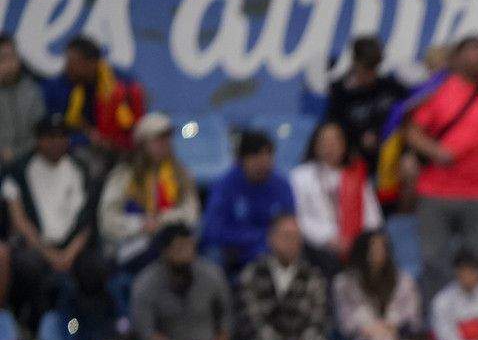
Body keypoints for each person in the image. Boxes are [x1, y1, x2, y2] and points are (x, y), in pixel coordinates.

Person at [406, 35, 478, 295]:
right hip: (437, 191)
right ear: (457, 57)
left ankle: (472, 327)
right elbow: (413, 133)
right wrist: (435, 151)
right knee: (434, 262)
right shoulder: (439, 91)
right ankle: (435, 327)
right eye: (475, 50)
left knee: (475, 262)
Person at [3, 114, 99, 329]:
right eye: (51, 136)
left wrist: (68, 254)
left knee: (95, 269)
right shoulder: (18, 170)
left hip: (72, 248)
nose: (57, 142)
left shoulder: (80, 169)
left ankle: (87, 334)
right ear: (38, 139)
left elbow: (87, 219)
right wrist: (50, 255)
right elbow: (19, 219)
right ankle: (31, 329)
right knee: (29, 267)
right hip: (36, 247)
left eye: (62, 136)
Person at [236, 214, 338, 340]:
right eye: (286, 236)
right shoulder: (252, 273)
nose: (292, 242)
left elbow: (319, 320)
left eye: (296, 237)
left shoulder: (313, 276)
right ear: (271, 238)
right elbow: (253, 322)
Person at [128, 224, 232, 340]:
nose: (186, 253)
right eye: (179, 248)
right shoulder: (146, 283)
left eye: (190, 246)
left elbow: (226, 318)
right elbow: (145, 331)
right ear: (165, 251)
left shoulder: (212, 275)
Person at [97, 111, 200, 274]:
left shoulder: (180, 174)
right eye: (158, 139)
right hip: (134, 244)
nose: (165, 143)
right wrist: (140, 224)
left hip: (173, 243)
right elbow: (107, 221)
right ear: (143, 143)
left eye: (167, 138)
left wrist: (163, 220)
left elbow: (192, 213)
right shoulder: (124, 175)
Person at [200, 130, 293, 276]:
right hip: (232, 249)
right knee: (213, 255)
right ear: (242, 159)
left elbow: (289, 225)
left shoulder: (281, 185)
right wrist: (253, 238)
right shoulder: (225, 185)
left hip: (267, 248)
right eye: (257, 156)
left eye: (268, 156)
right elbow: (212, 230)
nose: (264, 162)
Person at [332, 228, 420, 340]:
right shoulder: (343, 283)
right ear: (363, 250)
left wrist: (392, 326)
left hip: (396, 339)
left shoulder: (404, 281)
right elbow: (345, 324)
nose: (378, 252)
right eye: (374, 247)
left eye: (382, 247)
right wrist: (371, 330)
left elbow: (413, 318)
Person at [290, 120, 383, 259]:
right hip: (317, 248)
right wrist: (329, 238)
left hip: (358, 247)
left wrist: (359, 241)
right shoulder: (300, 176)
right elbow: (298, 218)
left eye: (335, 141)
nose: (330, 146)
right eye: (325, 141)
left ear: (344, 145)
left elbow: (373, 217)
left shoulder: (356, 174)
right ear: (315, 144)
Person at [45, 36, 145, 161]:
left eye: (73, 63)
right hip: (76, 150)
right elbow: (54, 128)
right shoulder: (57, 87)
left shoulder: (122, 83)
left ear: (92, 63)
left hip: (119, 146)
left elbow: (136, 123)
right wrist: (86, 138)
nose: (67, 68)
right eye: (67, 62)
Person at [322, 35, 411, 165]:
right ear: (355, 63)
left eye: (374, 70)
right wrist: (358, 139)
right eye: (365, 70)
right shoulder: (339, 93)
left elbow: (411, 105)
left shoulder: (390, 87)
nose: (370, 76)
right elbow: (334, 129)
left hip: (390, 159)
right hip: (353, 161)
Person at [0, 32, 48, 164]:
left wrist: (15, 153)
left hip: (29, 160)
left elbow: (39, 133)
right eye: (2, 59)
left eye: (11, 57)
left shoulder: (32, 91)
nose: (8, 64)